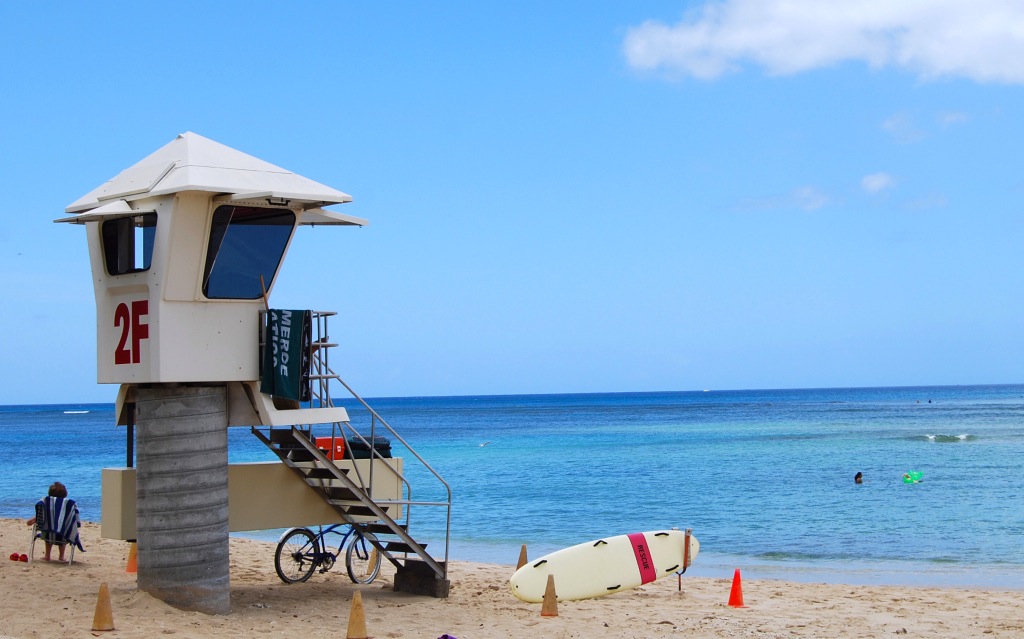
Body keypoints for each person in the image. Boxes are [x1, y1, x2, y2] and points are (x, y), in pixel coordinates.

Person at [26, 482, 83, 562]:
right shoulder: (68, 505)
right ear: (65, 494)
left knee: (48, 530)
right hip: (63, 535)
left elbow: (39, 518)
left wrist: (32, 520)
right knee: (64, 530)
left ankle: (47, 555)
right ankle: (61, 556)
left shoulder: (46, 503)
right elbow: (76, 520)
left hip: (48, 535)